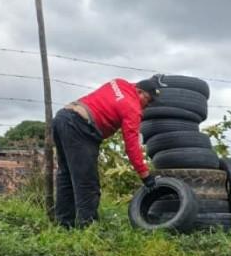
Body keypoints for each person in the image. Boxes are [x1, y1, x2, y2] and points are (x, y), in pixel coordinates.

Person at [52, 76, 161, 227]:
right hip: (81, 127)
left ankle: (63, 226)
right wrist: (145, 175)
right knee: (87, 183)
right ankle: (88, 229)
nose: (147, 106)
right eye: (147, 100)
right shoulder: (132, 108)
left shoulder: (119, 82)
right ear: (139, 91)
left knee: (66, 176)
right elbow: (131, 147)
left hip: (62, 118)